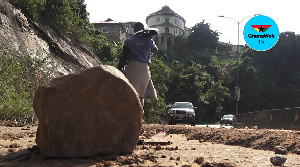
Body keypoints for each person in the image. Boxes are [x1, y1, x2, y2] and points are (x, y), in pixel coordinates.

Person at [117, 22, 158, 107]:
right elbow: (155, 49)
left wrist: (119, 68)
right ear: (143, 30)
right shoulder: (148, 40)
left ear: (134, 30)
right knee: (141, 95)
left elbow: (124, 56)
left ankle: (131, 115)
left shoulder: (128, 41)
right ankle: (140, 117)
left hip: (132, 68)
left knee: (132, 93)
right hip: (144, 69)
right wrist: (147, 38)